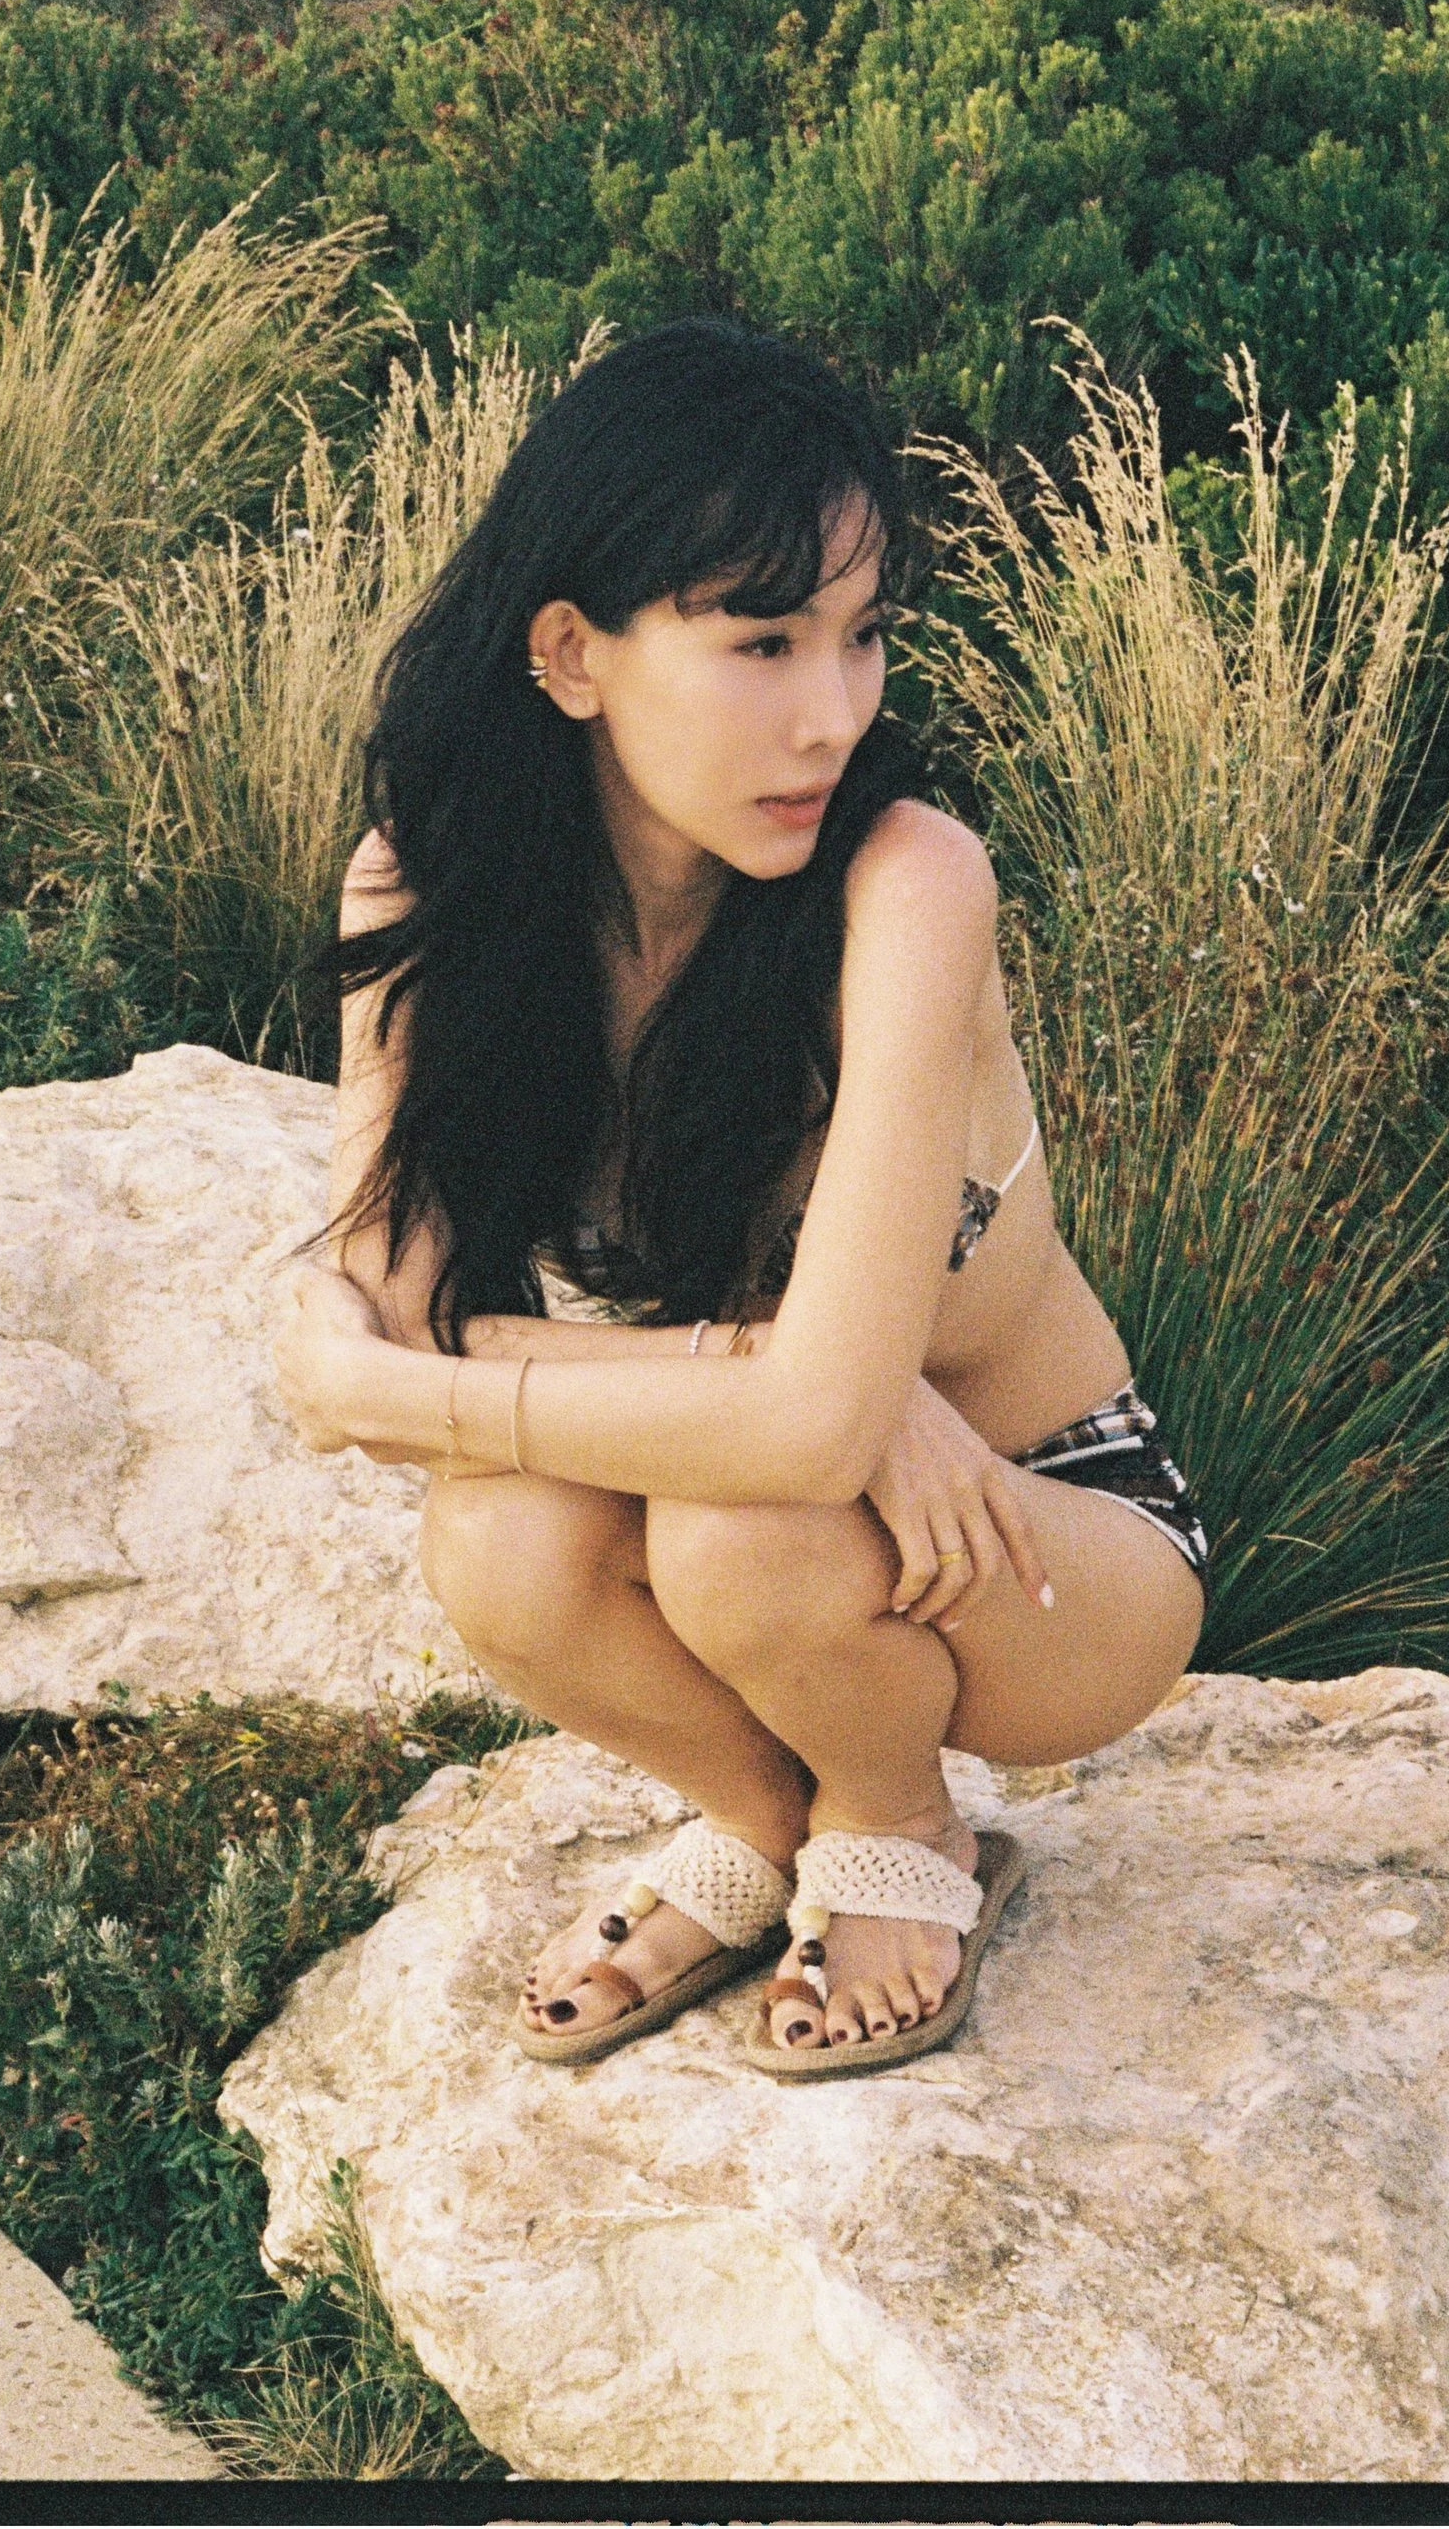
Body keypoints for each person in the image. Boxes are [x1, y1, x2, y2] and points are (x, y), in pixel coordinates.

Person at [274, 316, 1209, 2080]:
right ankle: (773, 1824)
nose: (832, 712)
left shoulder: (906, 886)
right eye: (761, 640)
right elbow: (392, 1303)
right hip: (797, 1491)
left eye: (860, 638)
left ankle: (902, 1821)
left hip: (1043, 1542)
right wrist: (776, 1388)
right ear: (571, 653)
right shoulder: (429, 889)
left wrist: (824, 1413)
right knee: (503, 1542)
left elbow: (392, 1367)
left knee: (738, 1528)